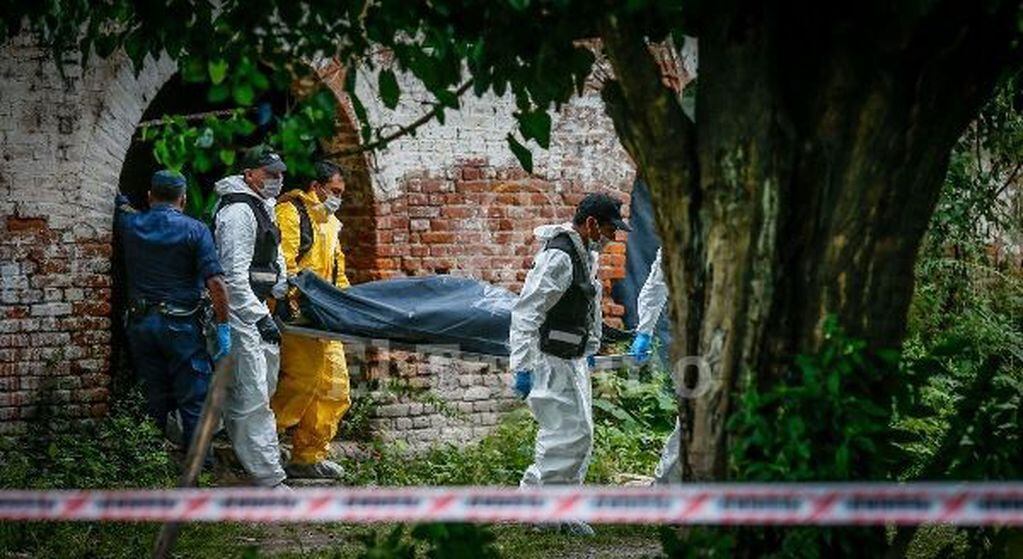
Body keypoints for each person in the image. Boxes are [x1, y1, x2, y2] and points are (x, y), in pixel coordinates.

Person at [511, 192, 631, 536]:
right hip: (548, 359)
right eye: (610, 229)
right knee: (562, 435)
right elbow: (526, 313)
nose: (612, 237)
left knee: (580, 436)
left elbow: (587, 306)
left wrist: (592, 345)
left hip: (572, 358)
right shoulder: (559, 258)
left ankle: (559, 506)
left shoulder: (583, 253)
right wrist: (522, 368)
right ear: (592, 223)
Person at [116, 169, 231, 453]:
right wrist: (224, 327)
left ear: (149, 196)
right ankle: (199, 467)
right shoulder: (195, 230)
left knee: (150, 394)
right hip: (181, 326)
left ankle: (148, 461)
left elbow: (119, 203)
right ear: (183, 199)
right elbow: (216, 283)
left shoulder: (130, 224)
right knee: (194, 398)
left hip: (141, 324)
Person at [213, 146, 289, 488]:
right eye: (270, 173)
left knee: (261, 387)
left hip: (261, 308)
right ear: (250, 174)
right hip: (243, 314)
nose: (277, 179)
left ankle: (245, 451)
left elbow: (272, 257)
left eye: (280, 174)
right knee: (253, 393)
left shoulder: (262, 206)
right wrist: (258, 316)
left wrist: (281, 291)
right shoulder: (238, 212)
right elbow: (232, 275)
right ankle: (268, 477)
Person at [271, 160, 352, 480]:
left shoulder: (330, 223)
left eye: (341, 193)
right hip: (300, 316)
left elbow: (337, 271)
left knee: (335, 388)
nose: (337, 198)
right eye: (334, 191)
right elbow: (285, 264)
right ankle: (257, 444)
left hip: (325, 317)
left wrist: (344, 308)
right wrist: (293, 305)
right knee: (299, 383)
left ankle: (308, 457)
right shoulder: (291, 212)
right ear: (316, 187)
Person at [629, 248, 682, 484]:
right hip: (699, 335)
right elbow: (656, 285)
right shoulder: (679, 239)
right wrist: (644, 331)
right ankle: (668, 487)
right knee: (692, 414)